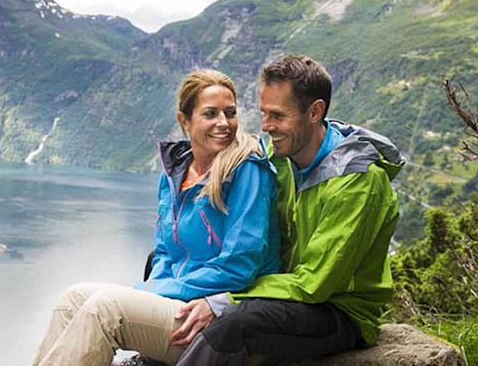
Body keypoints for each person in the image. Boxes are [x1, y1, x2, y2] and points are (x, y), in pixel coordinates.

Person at [32, 69, 281, 366]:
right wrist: (157, 290)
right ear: (184, 121)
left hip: (222, 316)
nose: (224, 124)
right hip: (180, 302)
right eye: (210, 114)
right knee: (72, 299)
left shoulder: (247, 169)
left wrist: (156, 292)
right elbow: (164, 252)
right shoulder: (176, 172)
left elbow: (239, 265)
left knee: (106, 310)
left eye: (230, 113)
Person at [172, 55, 404, 364]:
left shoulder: (357, 182)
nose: (267, 126)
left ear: (315, 111)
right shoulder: (280, 158)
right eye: (264, 113)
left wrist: (226, 296)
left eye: (278, 116)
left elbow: (314, 285)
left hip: (338, 311)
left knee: (236, 324)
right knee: (176, 267)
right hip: (286, 288)